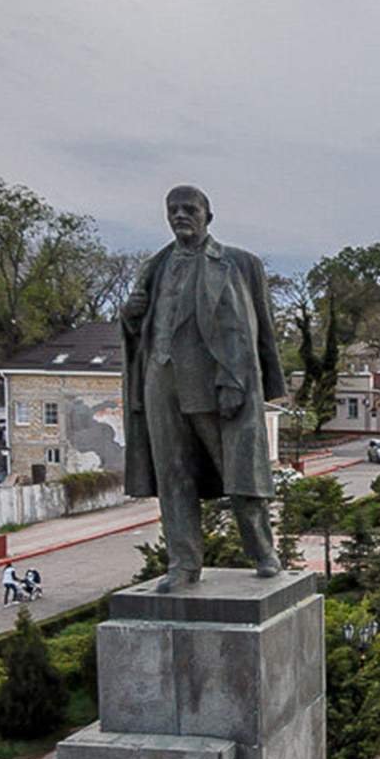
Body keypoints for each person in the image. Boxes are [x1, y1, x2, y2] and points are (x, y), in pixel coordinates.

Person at [122, 186, 285, 591]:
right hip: (161, 382)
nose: (180, 215)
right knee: (172, 474)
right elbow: (140, 329)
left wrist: (235, 382)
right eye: (173, 210)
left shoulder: (234, 263)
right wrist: (128, 317)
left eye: (189, 209)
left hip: (213, 384)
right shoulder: (155, 266)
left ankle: (263, 551)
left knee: (241, 475)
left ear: (207, 216)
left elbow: (244, 331)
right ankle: (183, 563)